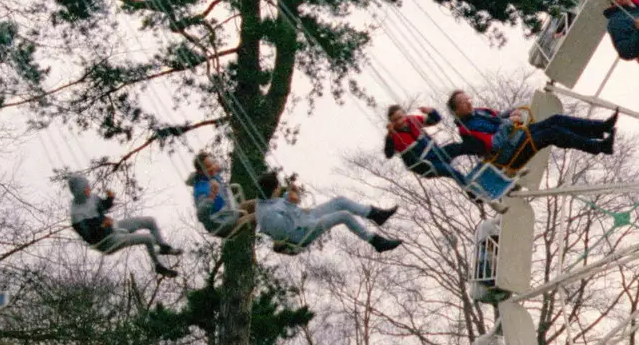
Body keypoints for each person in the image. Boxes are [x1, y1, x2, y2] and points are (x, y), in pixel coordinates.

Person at [444, 90, 617, 167]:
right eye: (463, 102)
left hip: (518, 137)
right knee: (552, 133)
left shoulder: (479, 112)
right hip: (511, 153)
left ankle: (600, 128)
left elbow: (499, 118)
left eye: (468, 99)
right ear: (456, 110)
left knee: (555, 120)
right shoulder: (467, 131)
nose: (468, 102)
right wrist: (509, 123)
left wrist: (512, 112)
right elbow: (494, 144)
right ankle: (599, 147)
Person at [253, 171, 400, 254]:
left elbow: (285, 206)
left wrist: (290, 197)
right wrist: (293, 203)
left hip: (306, 218)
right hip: (302, 234)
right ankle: (376, 241)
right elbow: (286, 231)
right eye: (278, 188)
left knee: (340, 201)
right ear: (272, 190)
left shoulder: (269, 200)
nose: (280, 189)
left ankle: (375, 215)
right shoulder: (269, 216)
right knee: (344, 215)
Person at [67, 175, 181, 278]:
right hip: (106, 242)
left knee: (150, 221)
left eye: (88, 187)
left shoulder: (91, 198)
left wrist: (110, 199)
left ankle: (163, 247)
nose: (88, 190)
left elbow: (104, 207)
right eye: (85, 189)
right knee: (148, 238)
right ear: (78, 192)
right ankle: (159, 266)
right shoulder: (76, 214)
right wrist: (102, 226)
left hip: (112, 228)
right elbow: (89, 237)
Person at [383, 105, 467, 183]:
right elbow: (388, 154)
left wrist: (431, 112)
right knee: (451, 171)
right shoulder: (392, 136)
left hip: (436, 153)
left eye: (400, 117)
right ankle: (472, 191)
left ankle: (479, 150)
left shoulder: (412, 120)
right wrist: (390, 136)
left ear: (404, 115)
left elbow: (435, 120)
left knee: (457, 147)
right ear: (392, 122)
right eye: (395, 120)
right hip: (425, 165)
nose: (399, 121)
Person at [188, 151, 253, 238]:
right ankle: (277, 242)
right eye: (208, 167)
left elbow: (219, 167)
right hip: (223, 225)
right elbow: (201, 215)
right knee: (263, 213)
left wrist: (216, 164)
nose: (212, 168)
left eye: (213, 164)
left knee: (261, 203)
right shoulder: (201, 190)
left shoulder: (211, 174)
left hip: (232, 211)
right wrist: (212, 196)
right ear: (200, 171)